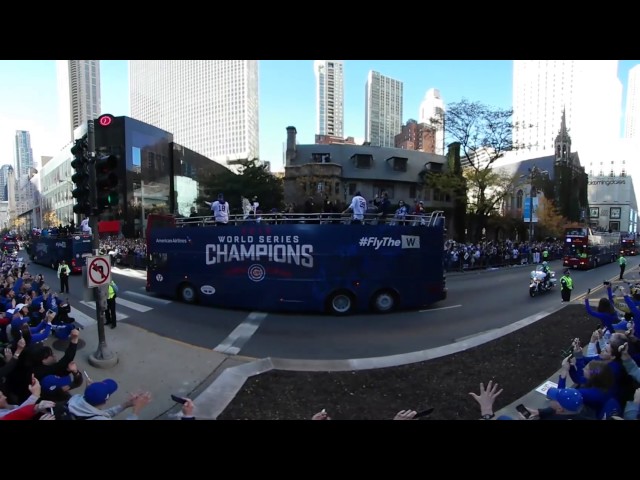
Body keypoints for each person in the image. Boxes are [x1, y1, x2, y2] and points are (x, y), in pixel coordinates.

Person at [66, 378, 152, 420]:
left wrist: (126, 404)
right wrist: (136, 410)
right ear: (106, 400)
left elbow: (101, 414)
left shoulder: (74, 401)